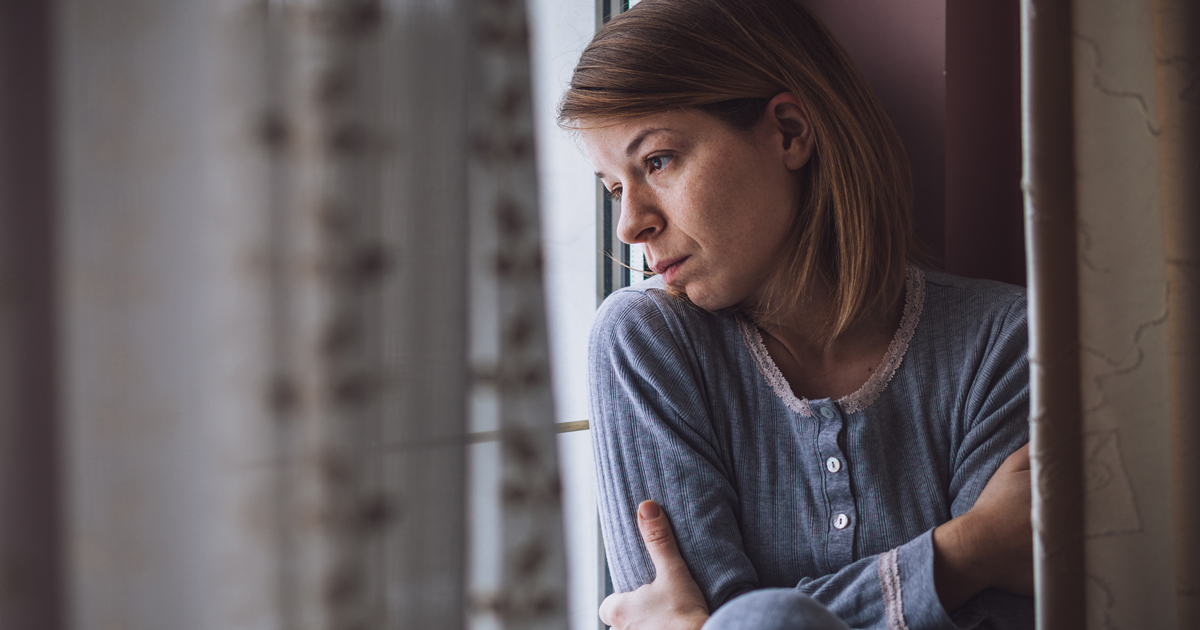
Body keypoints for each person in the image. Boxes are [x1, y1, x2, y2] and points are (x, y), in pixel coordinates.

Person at [558, 1, 1035, 629]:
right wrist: (969, 549)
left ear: (788, 131)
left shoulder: (1002, 341)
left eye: (657, 161)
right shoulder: (643, 344)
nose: (629, 224)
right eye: (615, 187)